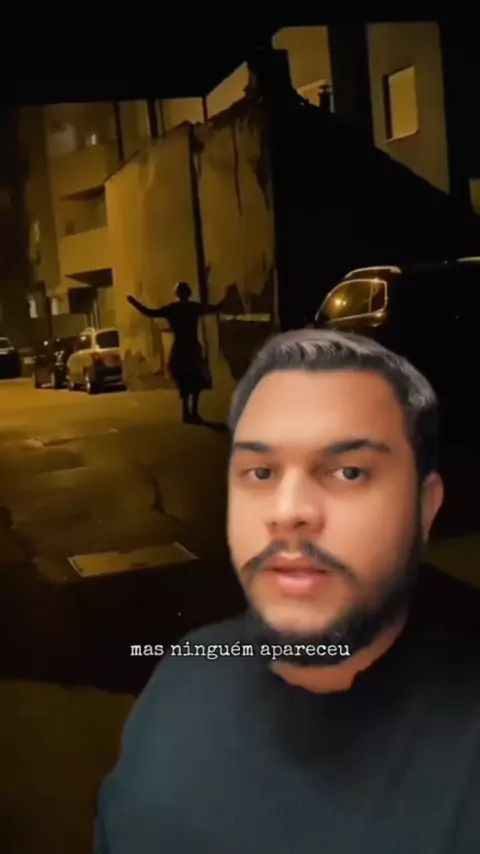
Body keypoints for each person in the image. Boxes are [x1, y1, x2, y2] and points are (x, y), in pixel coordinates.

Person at [94, 329, 480, 853]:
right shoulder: (183, 677)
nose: (287, 511)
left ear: (425, 508)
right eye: (260, 472)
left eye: (349, 471)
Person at [127, 282, 225, 423]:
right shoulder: (193, 307)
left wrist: (134, 303)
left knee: (185, 379)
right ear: (188, 293)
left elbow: (151, 313)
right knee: (195, 379)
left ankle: (186, 412)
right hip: (192, 347)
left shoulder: (173, 309)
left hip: (180, 348)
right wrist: (227, 298)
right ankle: (194, 412)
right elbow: (215, 308)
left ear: (177, 294)